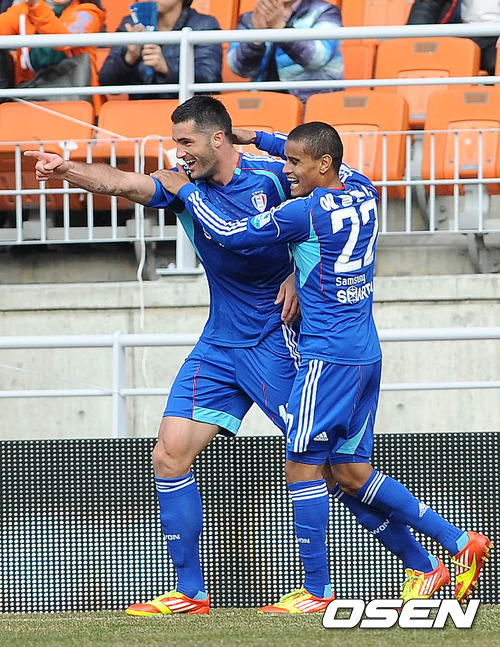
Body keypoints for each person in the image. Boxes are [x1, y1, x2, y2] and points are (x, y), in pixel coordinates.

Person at [25, 96, 486, 614]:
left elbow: (308, 216)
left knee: (327, 467)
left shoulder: (276, 177)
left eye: (186, 142)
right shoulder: (184, 184)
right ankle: (191, 592)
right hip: (220, 344)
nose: (178, 154)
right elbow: (122, 183)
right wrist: (67, 170)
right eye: (175, 143)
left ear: (218, 138)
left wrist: (296, 273)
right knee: (169, 454)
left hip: (278, 340)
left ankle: (420, 562)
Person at [152, 121, 493, 613]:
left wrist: (185, 190)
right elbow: (314, 156)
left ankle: (317, 592)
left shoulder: (302, 212)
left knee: (303, 465)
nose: (285, 170)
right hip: (365, 354)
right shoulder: (363, 189)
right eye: (285, 159)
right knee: (350, 471)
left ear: (323, 165)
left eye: (294, 163)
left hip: (326, 358)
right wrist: (260, 139)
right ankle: (456, 546)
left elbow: (230, 234)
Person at [98, 0, 222, 100]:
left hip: (187, 114)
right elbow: (106, 82)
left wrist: (167, 68)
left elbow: (209, 79)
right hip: (140, 113)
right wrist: (129, 58)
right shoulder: (132, 22)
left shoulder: (204, 24)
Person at [227, 0, 344, 103]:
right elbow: (237, 68)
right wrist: (257, 38)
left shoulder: (326, 12)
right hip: (263, 102)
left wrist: (280, 27)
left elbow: (317, 58)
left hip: (311, 102)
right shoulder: (250, 18)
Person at [0, 0, 105, 111]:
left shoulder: (88, 12)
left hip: (78, 102)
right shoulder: (23, 11)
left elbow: (64, 41)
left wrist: (36, 6)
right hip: (29, 102)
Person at [407, 0, 500, 76]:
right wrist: (411, 40)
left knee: (494, 63)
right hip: (460, 33)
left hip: (495, 36)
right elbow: (426, 8)